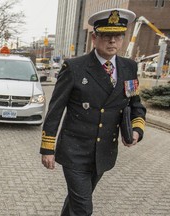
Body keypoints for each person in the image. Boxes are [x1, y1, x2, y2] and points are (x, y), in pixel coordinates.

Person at [40, 8, 146, 215]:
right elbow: (55, 110)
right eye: (107, 36)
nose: (113, 41)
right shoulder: (74, 67)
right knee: (83, 208)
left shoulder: (129, 68)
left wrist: (136, 130)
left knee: (76, 202)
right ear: (94, 37)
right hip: (74, 151)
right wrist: (47, 148)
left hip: (104, 152)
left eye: (117, 36)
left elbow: (136, 105)